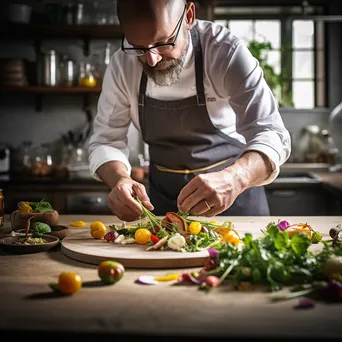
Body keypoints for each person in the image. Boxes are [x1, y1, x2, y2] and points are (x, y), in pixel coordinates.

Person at [88, 0, 291, 222]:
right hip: (163, 206)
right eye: (138, 47)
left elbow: (272, 133)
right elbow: (106, 141)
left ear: (189, 15)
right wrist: (119, 180)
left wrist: (236, 178)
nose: (152, 60)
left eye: (164, 43)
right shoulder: (122, 65)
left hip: (236, 204)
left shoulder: (225, 52)